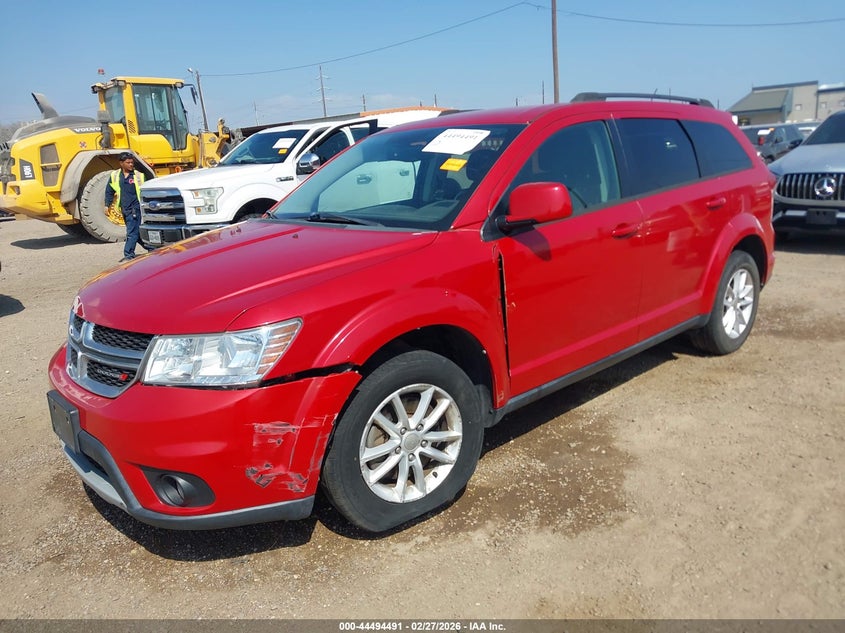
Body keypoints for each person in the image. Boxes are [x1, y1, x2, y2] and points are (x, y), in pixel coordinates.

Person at [105, 151, 153, 262]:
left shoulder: (139, 176)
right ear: (121, 163)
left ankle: (128, 255)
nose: (131, 164)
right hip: (124, 209)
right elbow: (109, 191)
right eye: (128, 162)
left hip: (135, 209)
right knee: (136, 232)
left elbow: (147, 190)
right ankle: (152, 248)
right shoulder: (115, 176)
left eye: (132, 162)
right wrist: (107, 205)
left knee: (131, 233)